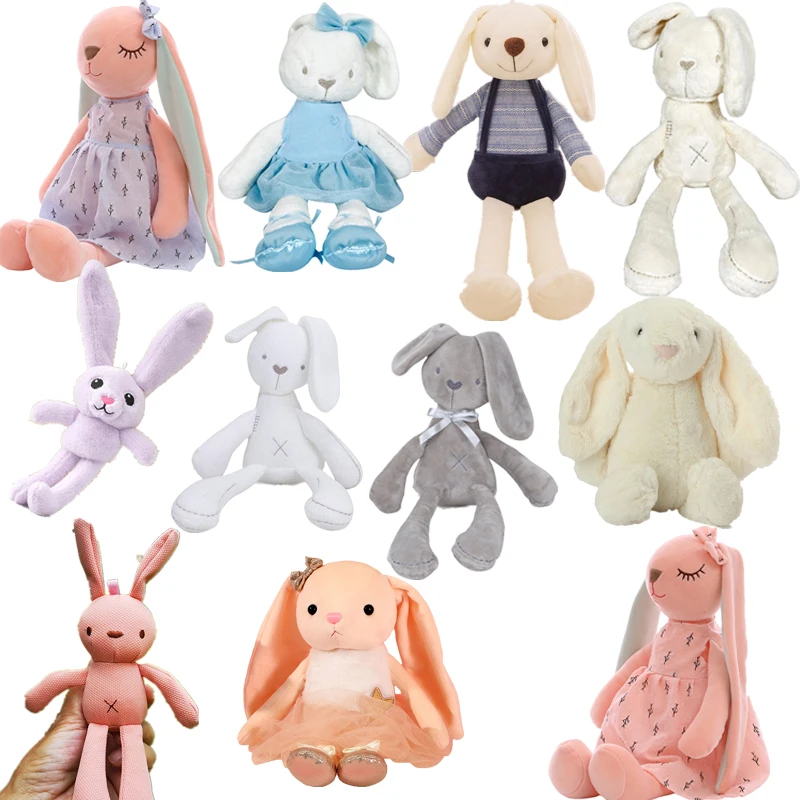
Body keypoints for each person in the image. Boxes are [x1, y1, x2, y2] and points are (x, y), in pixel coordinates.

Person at [0, 689, 155, 800]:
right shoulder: (92, 674)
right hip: (97, 726)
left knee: (132, 754)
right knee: (123, 753)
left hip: (123, 727)